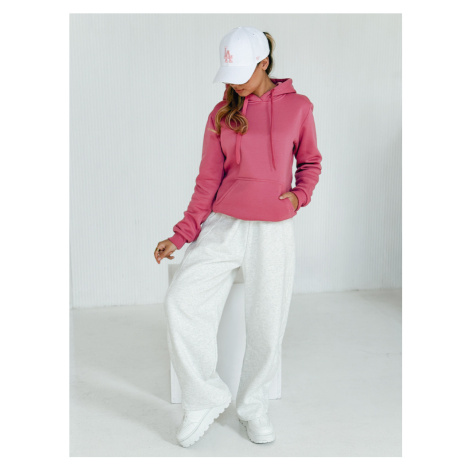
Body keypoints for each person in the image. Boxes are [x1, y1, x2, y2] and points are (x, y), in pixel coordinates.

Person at [154, 26, 323, 447]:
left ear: (264, 63)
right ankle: (203, 398)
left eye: (241, 73)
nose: (233, 83)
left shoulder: (299, 107)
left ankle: (253, 406)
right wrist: (182, 234)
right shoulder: (221, 114)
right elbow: (207, 181)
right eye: (228, 74)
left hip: (273, 230)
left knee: (267, 324)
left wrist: (298, 196)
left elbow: (310, 162)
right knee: (182, 300)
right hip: (224, 223)